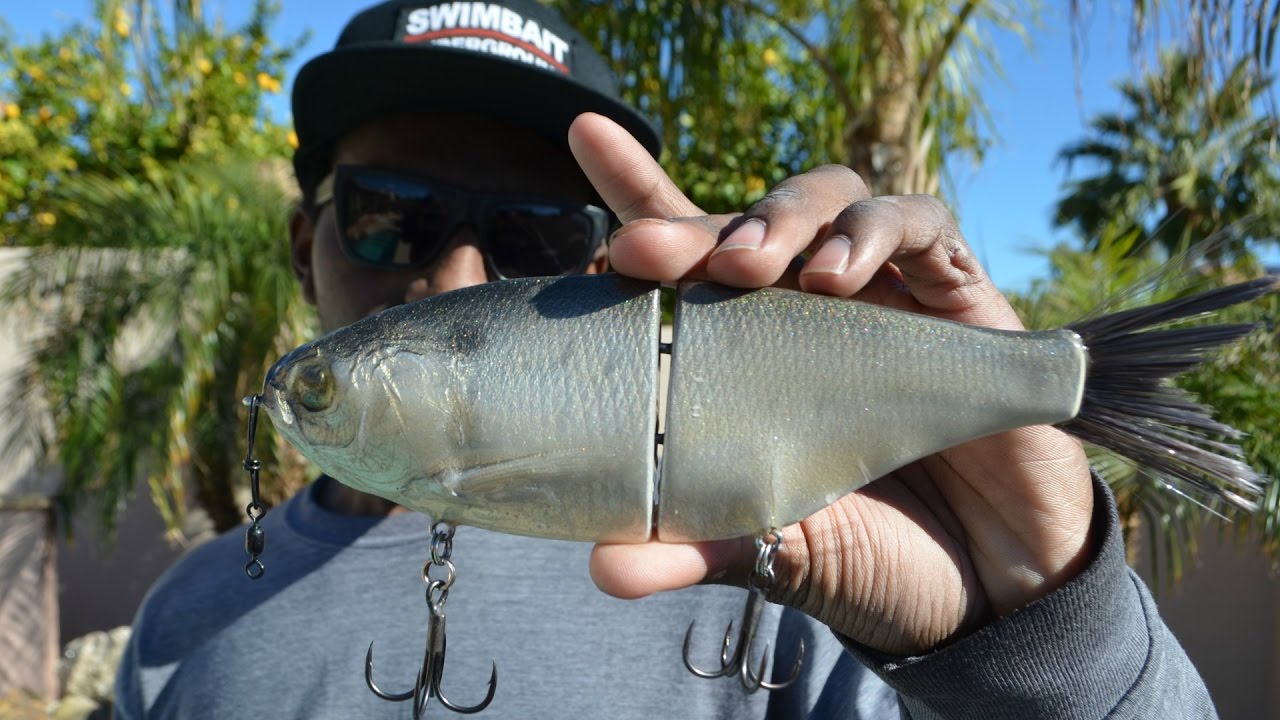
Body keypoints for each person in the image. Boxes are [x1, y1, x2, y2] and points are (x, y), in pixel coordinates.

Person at [115, 1, 1219, 717]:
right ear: (302, 243)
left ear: (607, 258)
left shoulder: (794, 587)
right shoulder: (176, 623)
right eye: (389, 214)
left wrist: (1046, 632)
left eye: (534, 235)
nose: (453, 276)